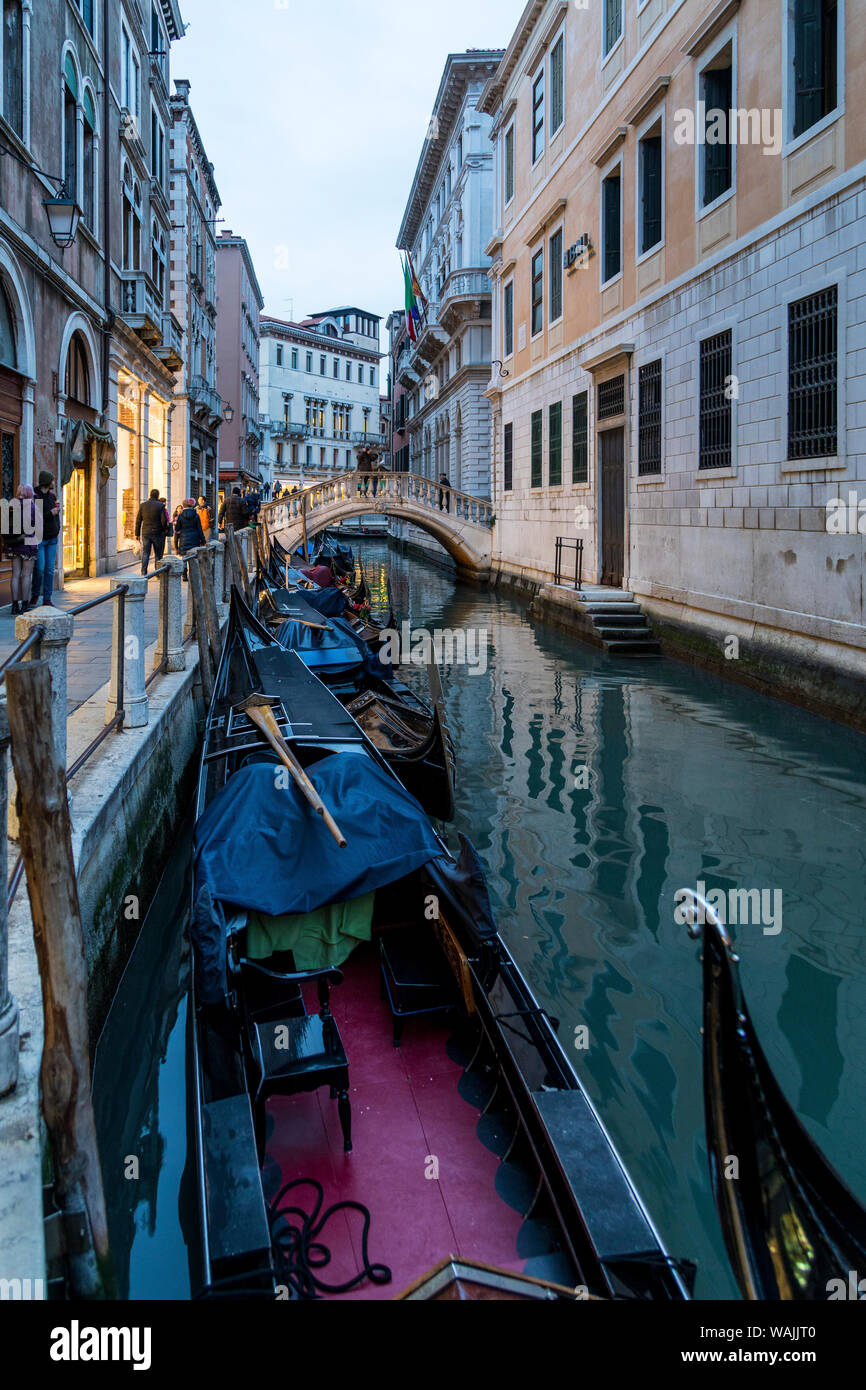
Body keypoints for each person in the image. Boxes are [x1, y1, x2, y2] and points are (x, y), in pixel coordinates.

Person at [29, 470, 61, 608]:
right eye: (52, 480)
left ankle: (47, 598)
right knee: (40, 568)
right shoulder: (36, 497)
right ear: (47, 482)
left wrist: (57, 528)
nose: (54, 482)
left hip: (52, 538)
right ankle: (35, 594)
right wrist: (50, 513)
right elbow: (36, 517)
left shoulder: (52, 497)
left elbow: (57, 515)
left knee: (49, 570)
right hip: (40, 538)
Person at [5, 483, 38, 615]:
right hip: (28, 544)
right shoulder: (32, 507)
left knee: (15, 575)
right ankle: (25, 605)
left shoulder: (11, 505)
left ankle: (14, 605)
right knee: (26, 575)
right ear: (30, 493)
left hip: (14, 544)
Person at [135, 488, 170, 575]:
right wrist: (165, 529)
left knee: (146, 553)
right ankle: (157, 573)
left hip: (146, 532)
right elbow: (163, 520)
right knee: (158, 554)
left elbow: (138, 520)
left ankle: (143, 571)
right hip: (157, 532)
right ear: (157, 495)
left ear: (150, 495)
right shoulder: (160, 506)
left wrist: (137, 533)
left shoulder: (143, 505)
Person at [173, 497, 206, 579]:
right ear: (191, 506)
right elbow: (199, 529)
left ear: (183, 506)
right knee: (194, 556)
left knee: (184, 557)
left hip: (184, 538)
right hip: (194, 538)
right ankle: (193, 575)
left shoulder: (180, 516)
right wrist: (203, 540)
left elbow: (177, 529)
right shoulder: (196, 515)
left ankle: (184, 575)